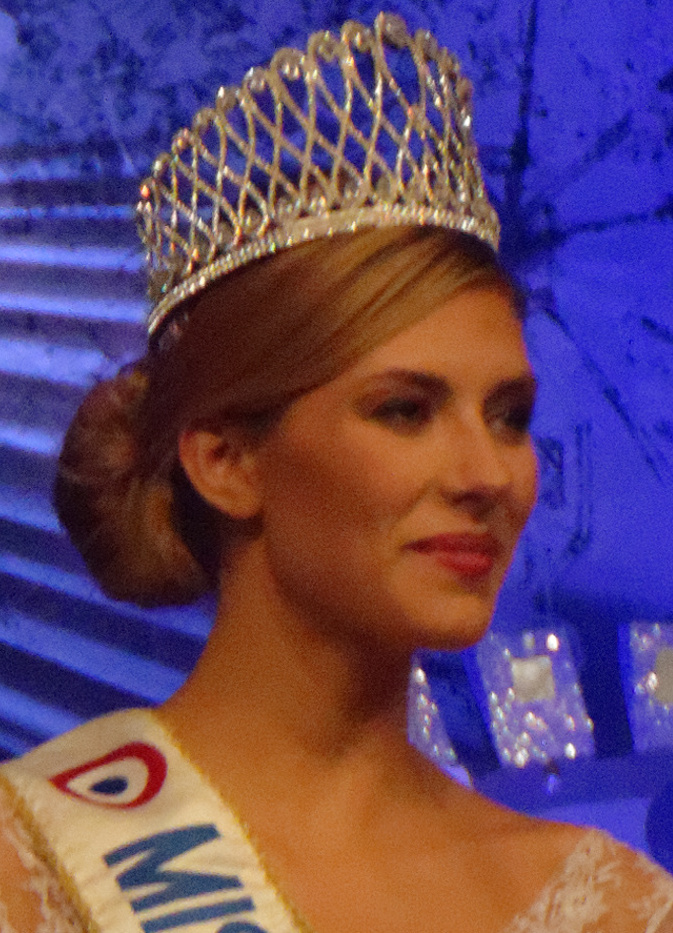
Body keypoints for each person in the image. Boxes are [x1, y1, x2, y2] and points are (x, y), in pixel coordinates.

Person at [0, 13, 671, 933]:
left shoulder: (614, 907)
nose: (487, 473)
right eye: (404, 410)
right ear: (226, 460)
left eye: (508, 415)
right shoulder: (28, 860)